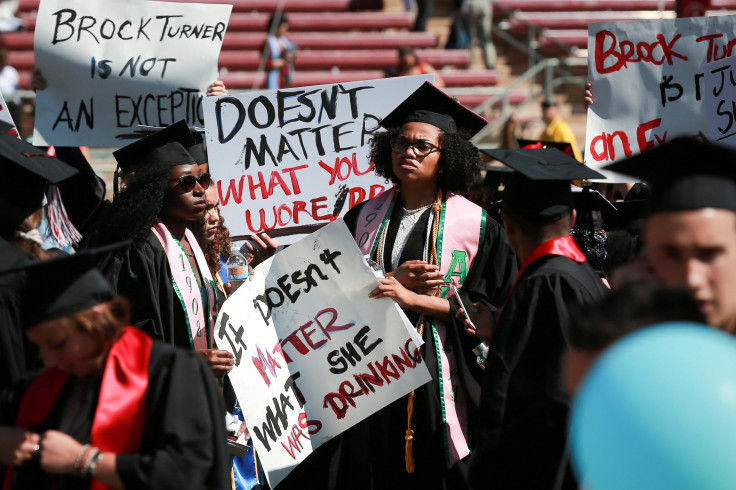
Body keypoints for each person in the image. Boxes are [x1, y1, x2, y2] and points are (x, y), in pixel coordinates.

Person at [342, 81, 518, 488]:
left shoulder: (475, 225)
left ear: (447, 157)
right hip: (369, 366)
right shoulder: (363, 216)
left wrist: (412, 299)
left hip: (439, 372)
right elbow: (334, 287)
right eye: (401, 142)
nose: (409, 152)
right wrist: (392, 282)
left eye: (423, 146)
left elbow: (490, 310)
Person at [0, 246, 230, 489]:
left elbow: (186, 474)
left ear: (95, 321)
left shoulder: (172, 372)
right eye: (40, 348)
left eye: (57, 344)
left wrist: (83, 459)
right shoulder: (48, 386)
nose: (50, 360)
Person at [466, 147, 608, 489]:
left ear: (508, 224)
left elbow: (537, 395)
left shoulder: (547, 282)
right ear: (572, 220)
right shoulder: (578, 274)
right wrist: (498, 329)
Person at [93, 121, 234, 377]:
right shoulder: (140, 251)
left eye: (202, 179)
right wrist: (187, 362)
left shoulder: (192, 241)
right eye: (186, 183)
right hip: (163, 396)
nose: (201, 190)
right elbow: (125, 335)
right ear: (156, 190)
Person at [604, 137, 736, 334]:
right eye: (671, 254)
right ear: (644, 260)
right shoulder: (621, 351)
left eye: (710, 254)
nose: (692, 279)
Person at [539, 98, 583, 162]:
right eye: (544, 108)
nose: (545, 111)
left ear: (556, 109)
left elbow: (570, 153)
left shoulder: (561, 128)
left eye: (548, 108)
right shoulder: (545, 132)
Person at [262, 13, 296, 90]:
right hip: (274, 77)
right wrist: (275, 63)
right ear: (276, 27)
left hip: (285, 77)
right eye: (283, 27)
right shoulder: (268, 43)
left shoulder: (286, 41)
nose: (286, 29)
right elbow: (264, 62)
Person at [462, 0, 496, 69]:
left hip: (472, 4)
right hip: (485, 4)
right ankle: (490, 65)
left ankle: (468, 64)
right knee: (486, 39)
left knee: (470, 39)